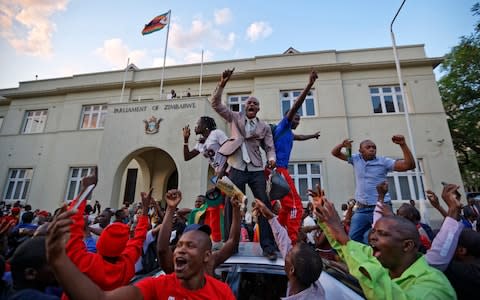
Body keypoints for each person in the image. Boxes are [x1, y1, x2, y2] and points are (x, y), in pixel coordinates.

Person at [46, 208, 235, 300]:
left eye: (190, 246)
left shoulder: (222, 292)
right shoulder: (157, 286)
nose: (181, 249)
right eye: (178, 245)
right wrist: (58, 260)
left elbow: (139, 239)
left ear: (207, 256)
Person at [310, 187, 456, 300]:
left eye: (382, 234)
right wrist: (324, 217)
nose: (372, 237)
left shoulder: (433, 285)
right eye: (373, 231)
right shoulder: (381, 259)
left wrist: (343, 237)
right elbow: (347, 248)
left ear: (407, 245)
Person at [211, 68, 277, 259]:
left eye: (255, 104)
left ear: (258, 109)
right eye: (249, 102)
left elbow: (270, 148)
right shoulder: (234, 117)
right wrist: (222, 83)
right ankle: (231, 245)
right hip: (236, 167)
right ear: (244, 106)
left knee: (264, 204)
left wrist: (271, 160)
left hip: (256, 169)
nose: (252, 105)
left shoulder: (264, 126)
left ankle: (268, 246)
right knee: (231, 204)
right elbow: (215, 103)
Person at [62, 170, 150, 298]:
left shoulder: (85, 262)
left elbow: (72, 225)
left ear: (101, 241)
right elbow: (138, 239)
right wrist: (146, 210)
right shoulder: (127, 265)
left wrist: (85, 190)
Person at [331, 135, 415, 243]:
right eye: (368, 147)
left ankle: (377, 258)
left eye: (374, 147)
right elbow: (335, 153)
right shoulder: (356, 159)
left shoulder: (383, 162)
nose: (372, 149)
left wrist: (403, 145)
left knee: (375, 238)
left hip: (381, 207)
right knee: (352, 238)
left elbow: (409, 165)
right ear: (360, 151)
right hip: (361, 209)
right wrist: (342, 145)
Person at [271, 70, 320, 245]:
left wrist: (313, 136)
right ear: (288, 118)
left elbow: (299, 137)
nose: (297, 121)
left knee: (285, 206)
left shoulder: (289, 134)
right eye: (296, 119)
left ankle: (281, 232)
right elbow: (294, 107)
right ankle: (292, 241)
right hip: (278, 169)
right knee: (295, 205)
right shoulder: (282, 127)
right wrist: (309, 85)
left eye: (299, 119)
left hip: (278, 171)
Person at [157, 189, 241, 276]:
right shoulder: (176, 267)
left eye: (192, 245)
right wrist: (170, 209)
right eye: (180, 245)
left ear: (207, 254)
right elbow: (162, 250)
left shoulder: (209, 262)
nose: (183, 250)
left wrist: (236, 209)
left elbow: (232, 241)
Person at [253, 199, 325, 299]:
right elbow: (284, 242)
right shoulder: (314, 285)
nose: (286, 251)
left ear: (292, 269)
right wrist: (269, 216)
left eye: (289, 254)